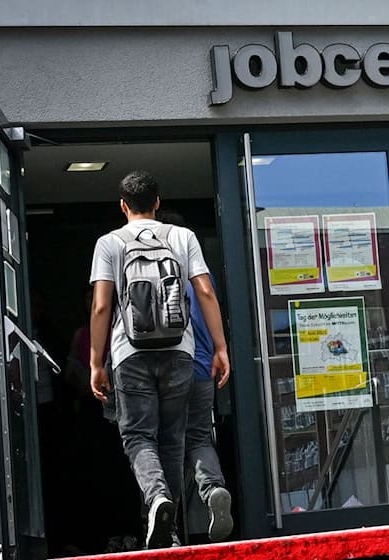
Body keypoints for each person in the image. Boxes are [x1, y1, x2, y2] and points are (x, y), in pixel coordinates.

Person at [89, 171, 231, 549]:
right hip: (180, 353)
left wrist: (95, 362)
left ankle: (157, 501)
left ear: (123, 205)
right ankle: (168, 526)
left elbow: (102, 306)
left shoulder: (109, 243)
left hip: (129, 354)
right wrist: (220, 347)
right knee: (175, 438)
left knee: (138, 435)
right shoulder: (182, 237)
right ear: (157, 202)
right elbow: (204, 291)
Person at [157, 210, 233, 542]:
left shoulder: (156, 272)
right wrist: (220, 349)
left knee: (166, 445)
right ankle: (213, 488)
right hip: (203, 368)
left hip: (168, 370)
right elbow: (210, 305)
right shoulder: (203, 276)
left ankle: (167, 526)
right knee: (199, 437)